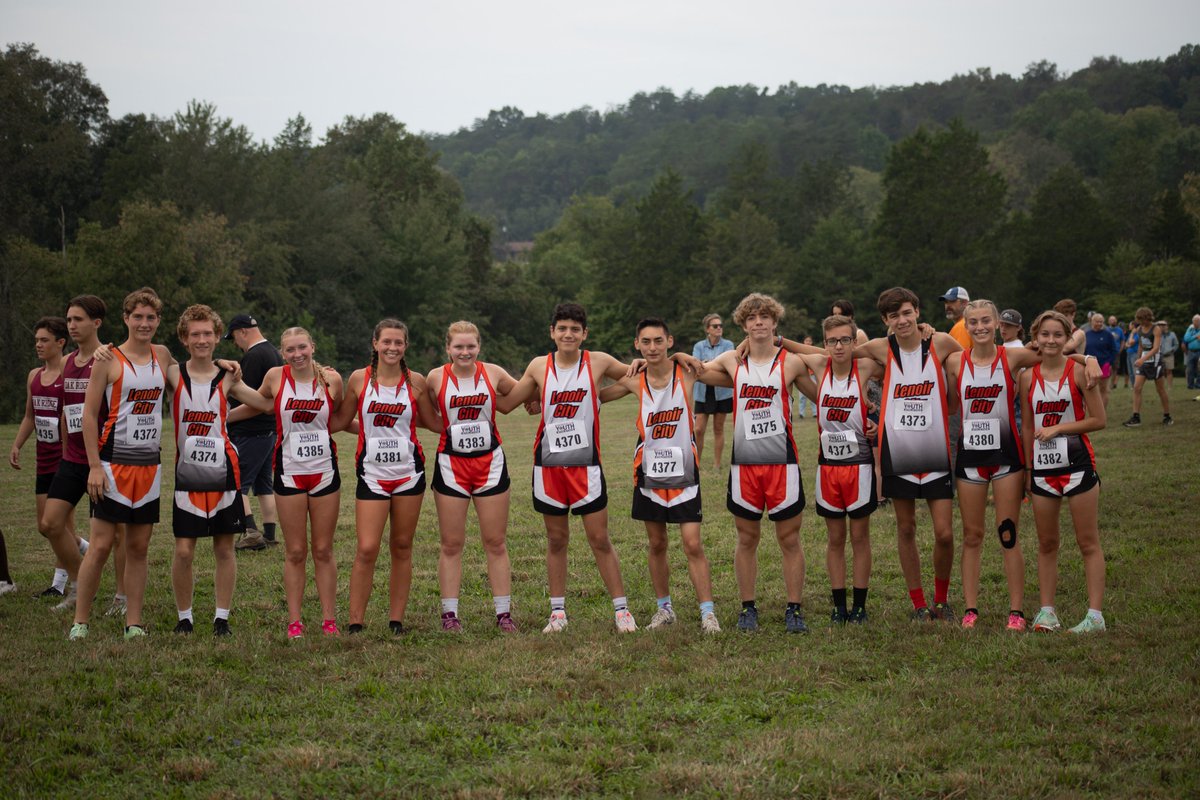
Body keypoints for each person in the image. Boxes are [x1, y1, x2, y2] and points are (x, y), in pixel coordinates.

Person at [946, 300, 1101, 631]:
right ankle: (971, 609)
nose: (980, 327)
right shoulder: (955, 361)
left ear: (998, 323)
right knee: (972, 536)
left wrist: (1089, 358)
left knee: (1008, 533)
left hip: (1008, 458)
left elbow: (1054, 354)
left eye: (986, 320)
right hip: (970, 459)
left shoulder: (1012, 357)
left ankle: (1016, 611)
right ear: (966, 324)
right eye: (973, 322)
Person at [688, 293, 821, 633]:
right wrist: (675, 356)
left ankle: (794, 609)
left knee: (789, 540)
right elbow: (699, 372)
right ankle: (748, 608)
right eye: (752, 318)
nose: (758, 322)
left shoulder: (790, 361)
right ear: (743, 324)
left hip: (782, 464)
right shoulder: (733, 360)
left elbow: (822, 392)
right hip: (744, 465)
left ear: (775, 323)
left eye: (765, 317)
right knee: (746, 539)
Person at [504, 303, 639, 633]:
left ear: (584, 334)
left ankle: (622, 611)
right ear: (552, 332)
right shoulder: (539, 365)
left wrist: (600, 396)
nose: (568, 334)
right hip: (548, 468)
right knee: (556, 540)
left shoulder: (599, 361)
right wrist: (485, 378)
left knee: (600, 539)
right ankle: (558, 614)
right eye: (562, 328)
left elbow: (638, 378)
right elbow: (509, 402)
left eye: (575, 329)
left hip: (586, 468)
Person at [599, 318, 720, 633]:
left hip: (684, 472)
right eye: (646, 342)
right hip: (649, 474)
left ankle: (708, 614)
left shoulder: (688, 372)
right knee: (656, 543)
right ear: (637, 345)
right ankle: (664, 609)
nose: (652, 347)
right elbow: (596, 395)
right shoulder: (633, 379)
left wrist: (683, 357)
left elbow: (726, 372)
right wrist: (539, 398)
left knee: (692, 544)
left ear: (669, 341)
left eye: (658, 341)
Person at [71, 288, 171, 641]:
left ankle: (134, 623)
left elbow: (195, 373)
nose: (144, 323)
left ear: (158, 321)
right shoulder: (108, 359)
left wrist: (225, 365)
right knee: (100, 546)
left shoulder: (162, 354)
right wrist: (94, 466)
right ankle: (80, 621)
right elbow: (87, 415)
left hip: (149, 467)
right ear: (126, 318)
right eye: (137, 316)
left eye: (151, 317)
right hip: (112, 465)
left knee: (138, 548)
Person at [233, 326, 343, 638]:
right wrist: (224, 412)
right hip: (289, 472)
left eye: (302, 348)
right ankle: (295, 622)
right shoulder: (274, 376)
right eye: (291, 350)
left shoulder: (332, 379)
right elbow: (262, 404)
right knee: (295, 551)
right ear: (283, 353)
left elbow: (340, 417)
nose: (297, 355)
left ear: (312, 347)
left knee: (323, 549)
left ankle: (329, 621)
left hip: (325, 473)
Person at [860, 288, 963, 622]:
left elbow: (979, 362)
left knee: (944, 533)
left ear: (917, 311)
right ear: (885, 321)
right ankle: (918, 603)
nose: (902, 320)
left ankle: (942, 599)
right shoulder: (880, 348)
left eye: (906, 312)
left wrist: (1084, 357)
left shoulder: (942, 342)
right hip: (899, 452)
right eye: (894, 316)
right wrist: (781, 343)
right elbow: (836, 354)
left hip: (935, 453)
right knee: (906, 528)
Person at [168, 305, 270, 637]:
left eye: (208, 334)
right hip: (188, 474)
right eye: (195, 334)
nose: (202, 340)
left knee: (224, 548)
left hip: (224, 470)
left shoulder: (227, 376)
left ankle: (221, 618)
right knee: (184, 550)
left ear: (216, 336)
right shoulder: (172, 373)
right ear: (184, 339)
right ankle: (185, 617)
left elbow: (263, 403)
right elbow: (144, 355)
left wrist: (293, 376)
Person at [419, 321, 526, 633]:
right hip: (451, 466)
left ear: (479, 347)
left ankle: (503, 614)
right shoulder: (436, 377)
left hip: (490, 463)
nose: (464, 352)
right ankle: (449, 615)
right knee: (451, 543)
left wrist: (535, 396)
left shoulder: (493, 373)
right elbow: (428, 417)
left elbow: (518, 393)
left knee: (495, 541)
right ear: (448, 348)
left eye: (470, 347)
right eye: (458, 347)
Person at [326, 319, 430, 635]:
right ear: (375, 343)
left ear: (405, 346)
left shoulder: (417, 382)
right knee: (367, 548)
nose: (392, 348)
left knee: (401, 546)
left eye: (398, 342)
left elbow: (432, 421)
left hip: (409, 474)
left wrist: (480, 408)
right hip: (372, 475)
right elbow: (340, 421)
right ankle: (356, 621)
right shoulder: (359, 379)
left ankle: (396, 620)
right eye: (386, 342)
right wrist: (318, 389)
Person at [38, 296, 127, 614]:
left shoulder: (109, 359)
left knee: (117, 534)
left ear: (96, 323)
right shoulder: (66, 362)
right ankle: (80, 582)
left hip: (104, 459)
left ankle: (121, 597)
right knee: (49, 524)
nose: (72, 325)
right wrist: (63, 448)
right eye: (69, 319)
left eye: (78, 320)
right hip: (72, 458)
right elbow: (66, 411)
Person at [1022, 310, 1107, 634]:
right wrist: (1028, 470)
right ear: (1036, 337)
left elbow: (1098, 420)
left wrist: (1059, 428)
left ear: (1067, 336)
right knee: (1047, 543)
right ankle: (1047, 613)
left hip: (1078, 466)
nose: (1051, 340)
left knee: (1088, 542)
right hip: (1042, 470)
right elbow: (1028, 425)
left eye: (1058, 334)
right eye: (1045, 334)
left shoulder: (1079, 372)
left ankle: (1095, 616)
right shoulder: (1028, 376)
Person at [808, 315, 883, 624]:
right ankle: (839, 605)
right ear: (825, 344)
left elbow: (897, 364)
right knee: (835, 538)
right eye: (832, 341)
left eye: (844, 340)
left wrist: (877, 415)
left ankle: (860, 605)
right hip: (828, 467)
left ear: (855, 342)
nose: (838, 346)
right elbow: (785, 349)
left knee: (860, 536)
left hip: (860, 466)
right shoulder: (819, 367)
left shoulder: (864, 367)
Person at [9, 316, 88, 598]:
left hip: (66, 460)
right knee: (47, 527)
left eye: (44, 340)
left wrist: (70, 454)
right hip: (43, 458)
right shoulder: (34, 375)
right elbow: (31, 416)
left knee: (61, 525)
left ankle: (61, 585)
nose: (38, 345)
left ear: (60, 342)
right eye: (36, 341)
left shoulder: (71, 371)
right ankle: (87, 551)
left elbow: (73, 416)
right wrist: (18, 444)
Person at [225, 314, 285, 551]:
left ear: (242, 332)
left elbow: (249, 398)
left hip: (251, 431)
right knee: (263, 484)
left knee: (237, 482)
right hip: (269, 431)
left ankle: (250, 532)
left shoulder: (253, 356)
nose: (235, 343)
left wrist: (225, 417)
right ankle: (269, 533)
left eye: (234, 338)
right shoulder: (273, 352)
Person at [691, 313, 734, 469]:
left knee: (718, 428)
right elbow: (695, 364)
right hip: (702, 392)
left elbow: (727, 366)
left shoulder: (728, 345)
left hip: (722, 392)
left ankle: (717, 464)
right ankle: (697, 462)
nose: (719, 328)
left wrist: (707, 364)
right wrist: (714, 364)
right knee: (698, 429)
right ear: (707, 329)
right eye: (715, 326)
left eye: (721, 325)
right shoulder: (698, 346)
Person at [1123, 307, 1173, 427]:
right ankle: (1136, 417)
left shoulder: (1156, 329)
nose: (1142, 322)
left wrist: (1142, 359)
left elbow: (1156, 348)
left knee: (1160, 389)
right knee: (1137, 388)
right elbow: (1141, 344)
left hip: (1155, 362)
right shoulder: (1139, 328)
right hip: (1144, 362)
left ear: (1148, 318)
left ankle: (1167, 415)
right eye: (1140, 320)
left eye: (1143, 320)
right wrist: (1138, 357)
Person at [1083, 313, 1117, 409]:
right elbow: (1083, 351)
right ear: (1091, 322)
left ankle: (1102, 411)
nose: (1099, 323)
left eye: (1101, 322)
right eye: (1097, 321)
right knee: (1091, 388)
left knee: (1104, 389)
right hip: (1090, 366)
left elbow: (1114, 350)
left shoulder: (1108, 335)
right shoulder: (1086, 334)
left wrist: (1109, 362)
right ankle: (1093, 410)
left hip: (1104, 365)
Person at [794, 336, 817, 419]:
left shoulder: (814, 351)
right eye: (806, 340)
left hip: (812, 375)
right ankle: (801, 413)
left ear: (812, 342)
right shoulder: (800, 352)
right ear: (803, 341)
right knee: (802, 396)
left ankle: (815, 413)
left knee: (813, 393)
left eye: (809, 341)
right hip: (803, 375)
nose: (808, 342)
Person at [1158, 320, 1179, 389]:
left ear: (1167, 326)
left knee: (1169, 371)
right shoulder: (1158, 334)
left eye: (1164, 325)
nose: (1163, 327)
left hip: (1169, 355)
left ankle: (1169, 386)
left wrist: (1172, 350)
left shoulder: (1172, 334)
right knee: (1161, 372)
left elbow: (1176, 344)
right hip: (1160, 355)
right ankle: (1162, 386)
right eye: (1161, 325)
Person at [1184, 314, 1200, 391]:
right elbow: (1186, 339)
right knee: (1190, 369)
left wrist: (1192, 338)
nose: (1195, 322)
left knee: (1199, 369)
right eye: (1194, 321)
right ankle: (1190, 385)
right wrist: (1196, 337)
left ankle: (1198, 384)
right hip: (1191, 351)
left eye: (1197, 321)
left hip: (1199, 351)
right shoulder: (1190, 328)